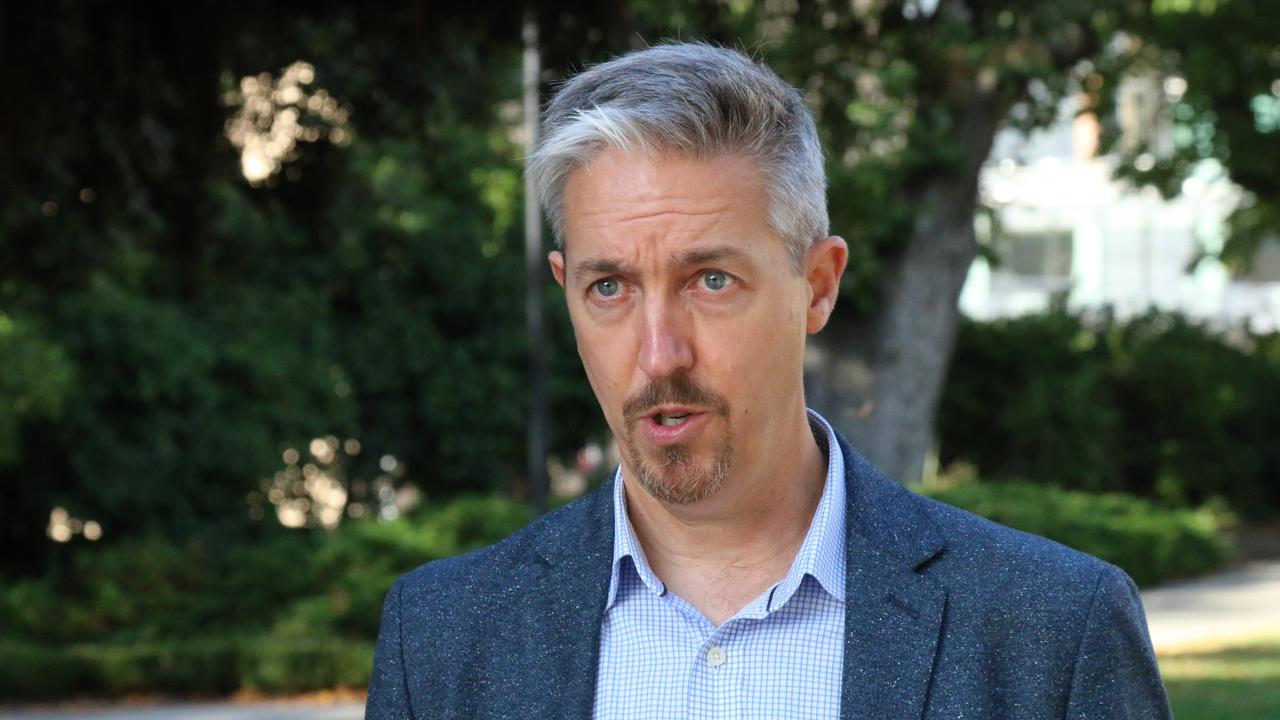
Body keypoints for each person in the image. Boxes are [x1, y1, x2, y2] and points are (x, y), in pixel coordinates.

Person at [365, 43, 1171, 719]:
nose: (658, 354)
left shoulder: (1053, 632)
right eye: (609, 287)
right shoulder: (439, 641)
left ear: (818, 284)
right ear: (565, 288)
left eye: (710, 281)